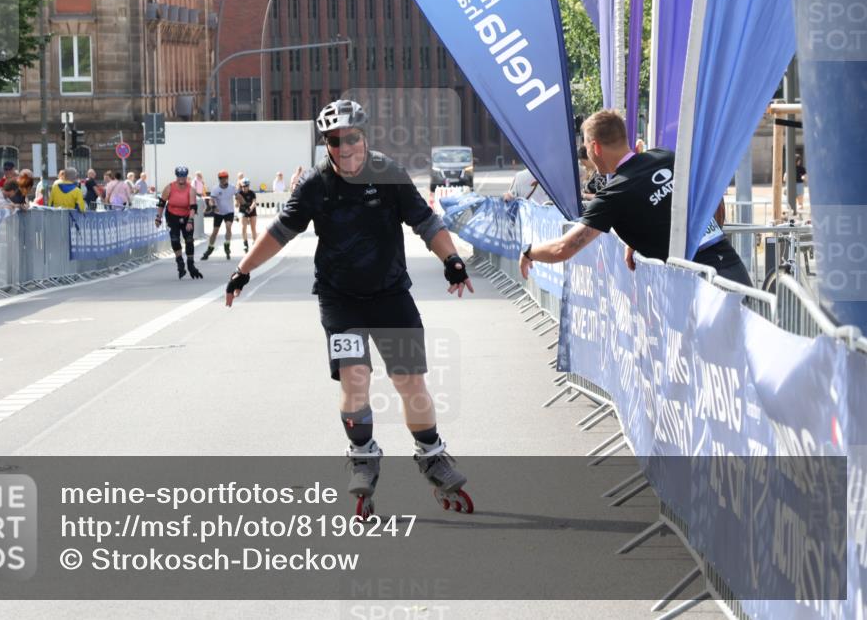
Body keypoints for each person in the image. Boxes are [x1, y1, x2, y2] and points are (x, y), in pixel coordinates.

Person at [224, 99, 475, 518]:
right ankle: (362, 454)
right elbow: (281, 232)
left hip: (392, 295)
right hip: (339, 299)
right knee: (354, 378)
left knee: (410, 383)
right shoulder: (315, 185)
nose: (345, 149)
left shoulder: (389, 174)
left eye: (352, 139)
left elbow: (426, 223)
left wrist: (451, 260)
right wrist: (242, 270)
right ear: (327, 145)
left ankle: (431, 453)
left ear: (365, 137)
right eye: (335, 142)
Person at [519, 109, 752, 286]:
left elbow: (563, 248)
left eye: (587, 148)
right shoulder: (665, 156)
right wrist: (636, 237)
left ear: (595, 147)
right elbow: (711, 196)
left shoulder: (614, 195)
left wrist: (529, 251)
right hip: (729, 264)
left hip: (697, 284)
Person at [155, 166, 203, 280]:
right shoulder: (169, 187)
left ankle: (191, 264)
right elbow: (161, 203)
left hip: (187, 216)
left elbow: (193, 207)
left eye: (184, 176)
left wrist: (190, 221)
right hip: (172, 216)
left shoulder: (191, 189)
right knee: (175, 239)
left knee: (189, 240)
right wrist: (158, 217)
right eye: (179, 176)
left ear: (186, 177)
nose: (181, 178)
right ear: (176, 176)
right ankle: (180, 262)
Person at [201, 171, 237, 260]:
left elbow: (238, 196)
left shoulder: (232, 187)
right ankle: (210, 248)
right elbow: (211, 199)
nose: (223, 179)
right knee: (215, 231)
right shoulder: (215, 189)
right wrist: (213, 206)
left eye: (225, 177)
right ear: (219, 179)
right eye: (221, 178)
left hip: (229, 211)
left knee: (228, 227)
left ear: (227, 178)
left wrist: (242, 203)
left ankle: (227, 245)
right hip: (219, 212)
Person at [236, 177, 258, 253]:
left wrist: (251, 208)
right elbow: (237, 204)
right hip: (243, 211)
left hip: (252, 211)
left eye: (246, 186)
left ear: (248, 186)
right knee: (243, 228)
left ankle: (255, 242)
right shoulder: (239, 193)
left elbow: (254, 202)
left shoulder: (252, 193)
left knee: (253, 228)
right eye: (243, 186)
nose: (245, 188)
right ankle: (245, 243)